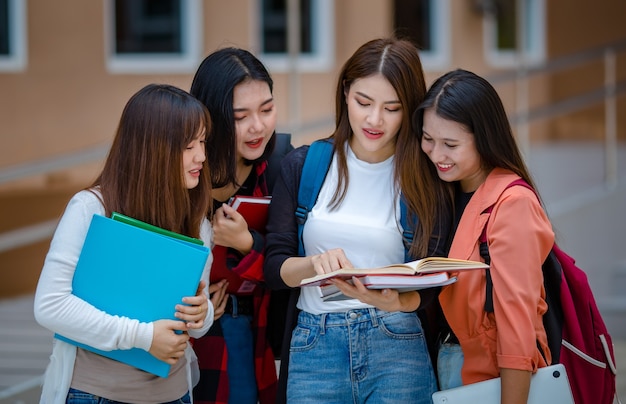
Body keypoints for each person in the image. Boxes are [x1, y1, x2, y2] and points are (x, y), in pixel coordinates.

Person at [264, 37, 451, 404]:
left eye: (392, 108)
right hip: (314, 344)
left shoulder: (426, 179)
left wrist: (396, 302)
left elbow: (435, 283)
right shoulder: (305, 166)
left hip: (395, 344)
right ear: (346, 92)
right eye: (364, 102)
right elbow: (274, 268)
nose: (374, 119)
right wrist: (314, 264)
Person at [33, 83, 214, 403]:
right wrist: (142, 337)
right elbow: (50, 305)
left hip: (175, 394)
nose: (201, 156)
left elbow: (195, 325)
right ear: (152, 148)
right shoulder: (90, 208)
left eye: (202, 142)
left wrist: (202, 313)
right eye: (189, 145)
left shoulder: (198, 222)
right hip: (95, 394)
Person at [415, 69, 554, 404]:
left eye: (450, 144)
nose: (436, 155)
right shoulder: (445, 192)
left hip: (493, 379)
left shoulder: (512, 204)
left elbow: (518, 326)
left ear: (485, 138)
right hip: (448, 367)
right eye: (428, 139)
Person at [189, 47, 292, 404]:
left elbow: (295, 266)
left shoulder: (281, 172)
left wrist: (248, 244)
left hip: (251, 333)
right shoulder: (185, 177)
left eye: (266, 109)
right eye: (240, 116)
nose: (258, 127)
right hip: (182, 337)